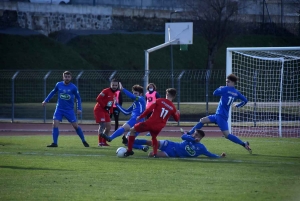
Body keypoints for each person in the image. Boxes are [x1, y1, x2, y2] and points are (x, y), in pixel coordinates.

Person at [186, 74, 252, 153]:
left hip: (221, 116)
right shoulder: (236, 93)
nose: (226, 83)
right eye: (226, 82)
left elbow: (214, 93)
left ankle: (243, 144)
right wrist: (238, 105)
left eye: (228, 81)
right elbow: (245, 100)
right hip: (219, 115)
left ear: (233, 82)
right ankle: (190, 133)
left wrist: (220, 88)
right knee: (202, 120)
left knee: (227, 135)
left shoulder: (225, 89)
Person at [124, 88, 180, 157]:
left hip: (150, 123)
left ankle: (129, 150)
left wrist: (140, 117)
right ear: (174, 97)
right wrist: (178, 113)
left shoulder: (159, 101)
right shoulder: (173, 108)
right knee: (154, 137)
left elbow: (149, 110)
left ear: (167, 94)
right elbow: (176, 119)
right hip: (159, 127)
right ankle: (155, 153)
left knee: (132, 130)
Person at [42, 71, 89, 148]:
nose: (67, 78)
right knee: (55, 124)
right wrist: (46, 100)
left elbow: (78, 98)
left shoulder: (73, 87)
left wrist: (79, 108)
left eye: (68, 77)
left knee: (75, 126)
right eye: (65, 77)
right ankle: (55, 143)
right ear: (63, 77)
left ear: (70, 78)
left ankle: (83, 140)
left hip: (69, 110)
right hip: (59, 109)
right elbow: (53, 92)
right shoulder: (59, 84)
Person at [100, 83, 149, 152]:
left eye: (136, 93)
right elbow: (126, 112)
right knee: (127, 142)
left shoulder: (141, 99)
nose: (134, 95)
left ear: (140, 94)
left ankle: (110, 138)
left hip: (137, 119)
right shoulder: (135, 103)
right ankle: (143, 148)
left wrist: (123, 89)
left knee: (124, 128)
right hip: (139, 121)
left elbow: (132, 97)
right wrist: (117, 104)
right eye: (133, 93)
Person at [134, 129, 226, 158]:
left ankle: (140, 147)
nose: (194, 135)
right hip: (170, 144)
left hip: (171, 153)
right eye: (194, 134)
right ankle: (131, 141)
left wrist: (219, 156)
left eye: (196, 135)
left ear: (200, 138)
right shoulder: (189, 138)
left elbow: (209, 154)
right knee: (150, 142)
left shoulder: (201, 148)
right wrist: (193, 139)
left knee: (151, 154)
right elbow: (183, 137)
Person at [94, 79, 119, 146]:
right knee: (102, 125)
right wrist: (104, 106)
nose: (114, 86)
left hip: (106, 111)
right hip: (99, 109)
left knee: (108, 126)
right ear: (110, 85)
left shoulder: (115, 93)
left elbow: (111, 103)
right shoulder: (105, 91)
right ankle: (100, 142)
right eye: (113, 85)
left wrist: (110, 112)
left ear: (118, 86)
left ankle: (104, 142)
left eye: (116, 85)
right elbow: (98, 99)